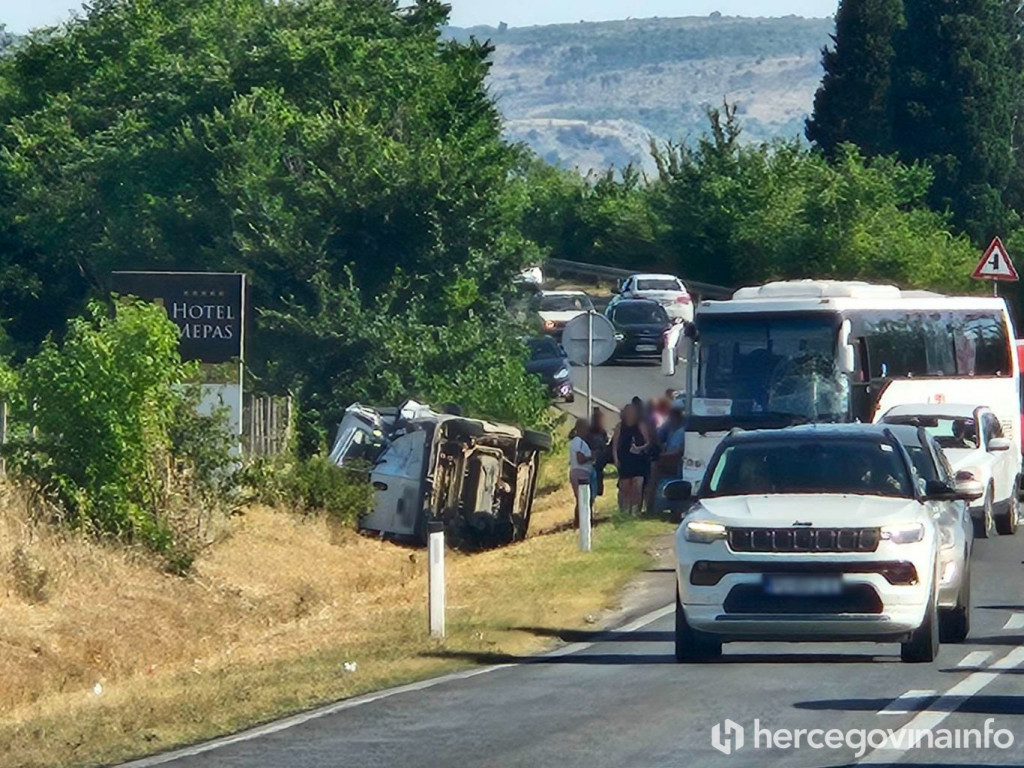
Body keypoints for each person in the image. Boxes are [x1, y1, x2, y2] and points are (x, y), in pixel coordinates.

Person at [613, 403, 652, 514]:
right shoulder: (620, 427)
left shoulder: (641, 425)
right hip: (625, 459)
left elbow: (648, 442)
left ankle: (636, 510)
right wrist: (616, 459)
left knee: (637, 485)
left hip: (638, 459)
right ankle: (624, 510)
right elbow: (615, 445)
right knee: (624, 486)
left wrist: (640, 448)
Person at [569, 417, 594, 528]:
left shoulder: (581, 442)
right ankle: (579, 522)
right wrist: (592, 457)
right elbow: (580, 458)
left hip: (582, 471)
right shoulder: (577, 441)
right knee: (582, 499)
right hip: (580, 472)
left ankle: (582, 521)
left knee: (583, 499)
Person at [588, 408, 610, 498]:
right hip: (592, 461)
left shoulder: (602, 432)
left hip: (599, 462)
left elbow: (606, 441)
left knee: (597, 481)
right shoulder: (589, 432)